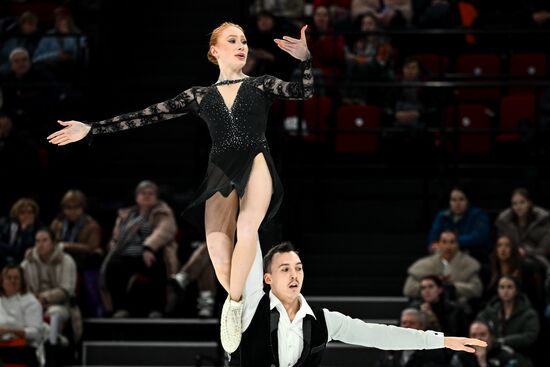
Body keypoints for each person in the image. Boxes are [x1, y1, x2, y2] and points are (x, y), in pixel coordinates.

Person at [47, 22, 313, 353]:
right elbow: (145, 115)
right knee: (216, 248)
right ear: (215, 51)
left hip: (256, 159)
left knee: (247, 228)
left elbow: (303, 92)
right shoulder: (199, 96)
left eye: (244, 40)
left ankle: (232, 305)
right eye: (233, 40)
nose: (242, 45)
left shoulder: (261, 85)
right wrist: (91, 129)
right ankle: (240, 298)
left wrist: (304, 60)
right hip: (220, 169)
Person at [238, 241, 486, 365]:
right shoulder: (253, 307)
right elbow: (248, 237)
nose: (294, 275)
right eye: (285, 269)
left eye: (299, 268)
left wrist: (441, 340)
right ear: (267, 278)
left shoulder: (324, 321)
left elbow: (379, 335)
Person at [100, 180, 178, 318]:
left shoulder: (163, 212)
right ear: (136, 197)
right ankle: (120, 308)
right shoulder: (126, 215)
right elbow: (117, 236)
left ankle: (156, 309)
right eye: (143, 193)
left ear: (156, 197)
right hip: (126, 255)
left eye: (150, 193)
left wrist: (148, 248)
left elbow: (164, 231)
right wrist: (113, 244)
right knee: (113, 266)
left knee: (157, 265)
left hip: (152, 253)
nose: (147, 196)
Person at [20, 228, 79, 346]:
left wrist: (44, 297)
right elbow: (20, 287)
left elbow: (67, 289)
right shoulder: (27, 262)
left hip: (60, 305)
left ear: (53, 242)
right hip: (32, 304)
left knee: (55, 313)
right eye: (37, 241)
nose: (40, 245)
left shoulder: (66, 261)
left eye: (44, 241)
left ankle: (51, 347)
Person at [50, 189, 104, 317]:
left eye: (76, 207)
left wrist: (67, 246)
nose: (72, 211)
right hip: (60, 261)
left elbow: (92, 247)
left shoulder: (92, 225)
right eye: (68, 207)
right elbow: (51, 243)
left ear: (82, 208)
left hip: (83, 262)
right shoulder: (57, 224)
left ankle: (94, 312)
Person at [404, 230, 483, 303]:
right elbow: (408, 289)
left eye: (452, 242)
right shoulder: (424, 265)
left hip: (457, 306)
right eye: (444, 242)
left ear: (457, 244)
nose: (448, 246)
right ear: (438, 244)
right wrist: (431, 288)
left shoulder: (469, 265)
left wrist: (451, 287)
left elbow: (476, 289)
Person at [476, 276, 539, 356]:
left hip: (519, 354)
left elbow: (529, 336)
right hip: (493, 353)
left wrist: (504, 341)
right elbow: (478, 323)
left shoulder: (528, 314)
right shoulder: (490, 310)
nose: (505, 291)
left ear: (516, 290)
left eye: (509, 287)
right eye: (502, 287)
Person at [428, 187, 491, 263]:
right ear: (449, 202)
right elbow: (433, 239)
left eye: (461, 199)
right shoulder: (442, 216)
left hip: (473, 256)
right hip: (446, 257)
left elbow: (479, 237)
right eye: (453, 200)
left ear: (467, 201)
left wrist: (450, 243)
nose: (457, 204)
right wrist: (436, 245)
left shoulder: (478, 215)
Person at [0, 265, 45, 367]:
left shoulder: (31, 302)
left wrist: (10, 331)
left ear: (22, 281)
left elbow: (36, 333)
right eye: (9, 277)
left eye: (16, 278)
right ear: (2, 280)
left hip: (23, 348)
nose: (13, 281)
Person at [495, 188, 550, 267]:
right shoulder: (505, 222)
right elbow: (500, 244)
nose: (518, 206)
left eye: (522, 202)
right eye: (515, 204)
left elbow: (544, 250)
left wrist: (525, 252)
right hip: (510, 257)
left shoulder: (543, 222)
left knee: (525, 265)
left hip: (537, 259)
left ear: (529, 203)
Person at [376, 308, 448, 367]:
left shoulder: (433, 350)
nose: (406, 327)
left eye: (412, 323)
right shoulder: (391, 348)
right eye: (404, 323)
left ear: (421, 327)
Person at [167, 241, 216, 318]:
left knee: (211, 245)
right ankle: (206, 302)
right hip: (188, 254)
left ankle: (184, 277)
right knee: (207, 259)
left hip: (215, 258)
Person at [450, 320, 529, 367]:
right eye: (473, 335)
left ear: (492, 337)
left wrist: (483, 363)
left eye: (482, 334)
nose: (478, 339)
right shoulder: (460, 357)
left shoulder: (506, 355)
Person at [0, 198, 42, 269]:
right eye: (22, 213)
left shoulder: (39, 228)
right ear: (16, 214)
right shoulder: (4, 223)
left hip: (24, 261)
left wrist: (24, 231)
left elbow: (24, 250)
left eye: (30, 212)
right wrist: (14, 250)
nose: (27, 215)